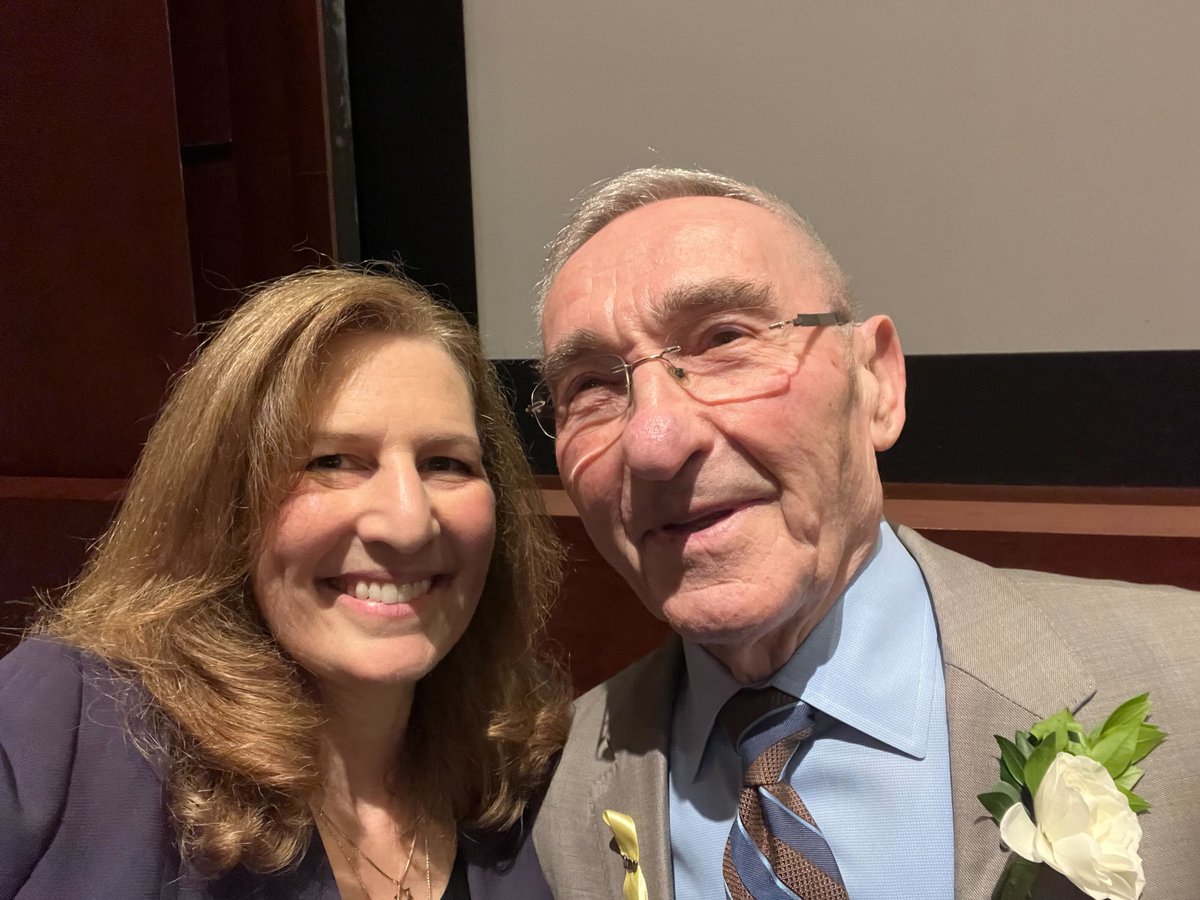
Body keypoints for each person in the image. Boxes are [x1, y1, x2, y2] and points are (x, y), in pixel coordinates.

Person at [527, 167, 1200, 899]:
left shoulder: (1182, 671)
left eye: (724, 339)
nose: (654, 440)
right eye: (591, 386)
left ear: (876, 382)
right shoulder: (548, 797)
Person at [0, 268, 569, 899]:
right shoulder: (64, 724)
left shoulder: (525, 774)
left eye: (445, 463)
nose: (408, 523)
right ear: (224, 502)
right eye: (331, 461)